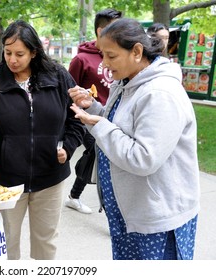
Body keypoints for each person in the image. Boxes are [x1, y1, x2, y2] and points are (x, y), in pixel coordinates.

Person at [69, 18, 200, 260]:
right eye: (102, 55)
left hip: (156, 220)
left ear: (137, 51)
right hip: (130, 212)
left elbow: (144, 158)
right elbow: (120, 127)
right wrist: (95, 109)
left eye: (111, 56)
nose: (105, 64)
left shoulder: (160, 94)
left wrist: (100, 126)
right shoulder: (127, 82)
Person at [0, 20, 84, 260]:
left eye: (19, 54)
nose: (12, 60)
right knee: (6, 244)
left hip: (50, 178)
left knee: (45, 244)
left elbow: (78, 118)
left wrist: (68, 148)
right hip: (7, 180)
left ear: (34, 52)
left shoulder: (58, 76)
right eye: (7, 52)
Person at [65, 8, 122, 214]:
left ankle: (74, 195)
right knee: (100, 154)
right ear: (101, 30)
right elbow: (69, 90)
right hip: (86, 118)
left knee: (98, 156)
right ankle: (110, 209)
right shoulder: (82, 59)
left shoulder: (121, 55)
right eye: (116, 28)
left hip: (110, 116)